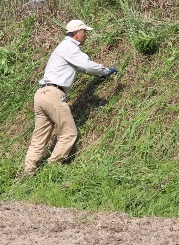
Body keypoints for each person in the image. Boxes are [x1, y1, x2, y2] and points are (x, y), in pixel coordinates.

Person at [22, 20, 117, 176]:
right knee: (69, 133)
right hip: (53, 95)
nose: (86, 35)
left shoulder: (62, 48)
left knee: (39, 138)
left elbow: (81, 68)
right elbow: (86, 65)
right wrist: (105, 71)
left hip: (41, 95)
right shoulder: (69, 47)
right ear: (76, 33)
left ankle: (28, 173)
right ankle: (50, 170)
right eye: (85, 32)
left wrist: (98, 73)